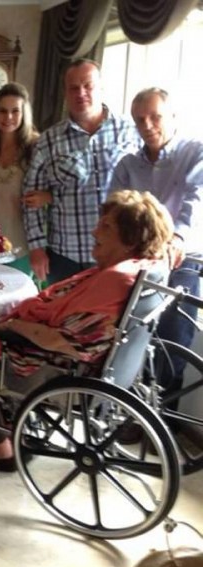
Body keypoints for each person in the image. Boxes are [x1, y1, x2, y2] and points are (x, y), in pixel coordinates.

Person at [0, 190, 173, 468]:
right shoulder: (144, 269)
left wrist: (14, 324)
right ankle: (8, 426)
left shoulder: (115, 281)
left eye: (106, 227)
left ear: (130, 241)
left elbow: (64, 341)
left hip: (53, 365)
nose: (95, 231)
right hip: (102, 364)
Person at [110, 87, 203, 389]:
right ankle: (137, 411)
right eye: (140, 120)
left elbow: (196, 199)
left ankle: (165, 428)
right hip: (139, 262)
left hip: (181, 260)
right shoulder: (127, 166)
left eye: (155, 116)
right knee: (134, 340)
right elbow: (116, 211)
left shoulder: (195, 152)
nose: (147, 125)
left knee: (173, 345)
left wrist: (176, 239)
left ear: (172, 115)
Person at [23, 59, 141, 284]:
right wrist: (36, 247)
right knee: (64, 318)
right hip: (67, 257)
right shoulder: (48, 141)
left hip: (122, 252)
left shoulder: (131, 130)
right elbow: (30, 200)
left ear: (101, 88)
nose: (81, 93)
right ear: (65, 93)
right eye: (73, 88)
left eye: (88, 86)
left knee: (115, 319)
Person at [0, 83, 39, 274]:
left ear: (24, 115)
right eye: (3, 111)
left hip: (21, 248)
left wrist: (48, 195)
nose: (8, 117)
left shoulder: (35, 149)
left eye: (15, 111)